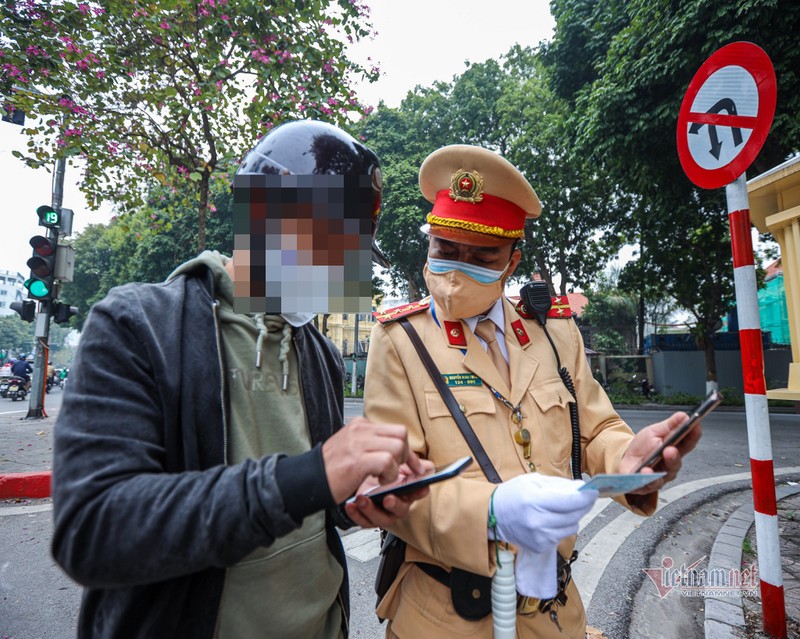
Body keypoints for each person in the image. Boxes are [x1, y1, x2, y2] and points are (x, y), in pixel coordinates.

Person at [52, 120, 432, 639]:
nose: (344, 268)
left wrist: (354, 499)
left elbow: (309, 506)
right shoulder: (139, 326)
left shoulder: (317, 351)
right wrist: (309, 477)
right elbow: (93, 533)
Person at [363, 145, 702, 638]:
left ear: (512, 261)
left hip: (554, 611)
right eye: (445, 250)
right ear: (429, 242)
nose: (458, 270)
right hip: (446, 615)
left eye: (483, 257)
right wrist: (493, 514)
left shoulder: (551, 330)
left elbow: (595, 429)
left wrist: (629, 460)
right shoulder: (400, 340)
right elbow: (392, 488)